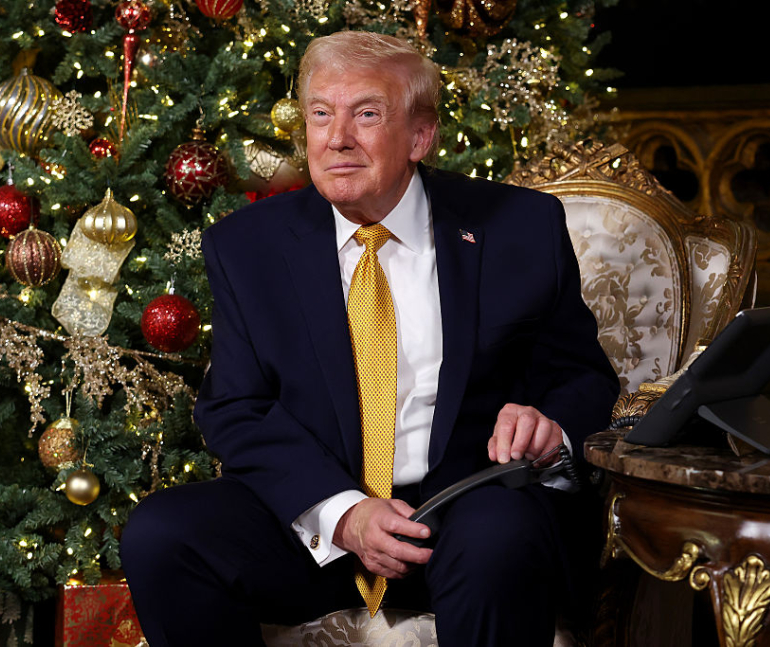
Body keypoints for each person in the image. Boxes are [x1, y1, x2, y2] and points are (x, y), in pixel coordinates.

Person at [121, 30, 619, 647]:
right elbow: (236, 407)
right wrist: (345, 514)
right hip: (320, 527)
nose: (337, 138)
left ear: (420, 136)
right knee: (162, 533)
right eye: (320, 114)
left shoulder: (518, 226)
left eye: (366, 114)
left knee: (499, 537)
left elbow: (582, 377)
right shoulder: (247, 246)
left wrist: (550, 428)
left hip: (469, 513)